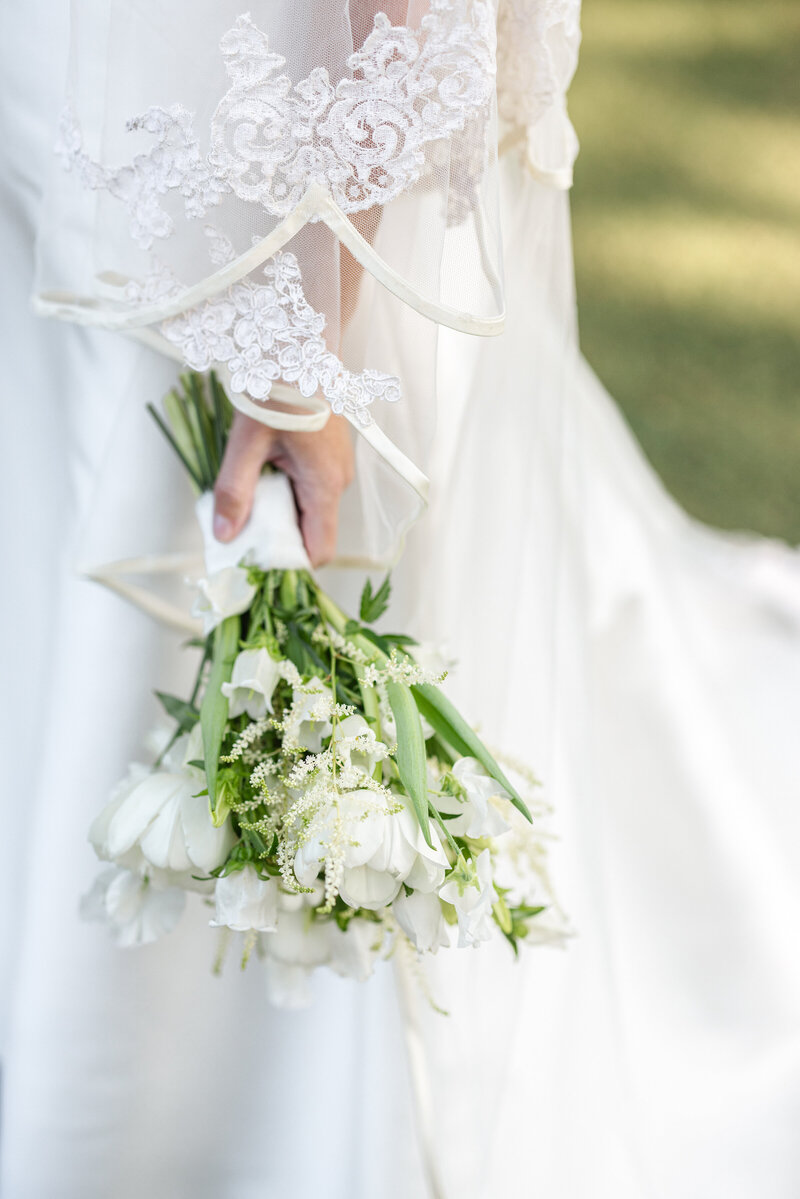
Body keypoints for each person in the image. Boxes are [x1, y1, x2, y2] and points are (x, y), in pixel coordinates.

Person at [3, 2, 800, 1196]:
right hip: (81, 116)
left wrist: (304, 354)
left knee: (211, 600)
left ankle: (244, 1122)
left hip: (275, 205)